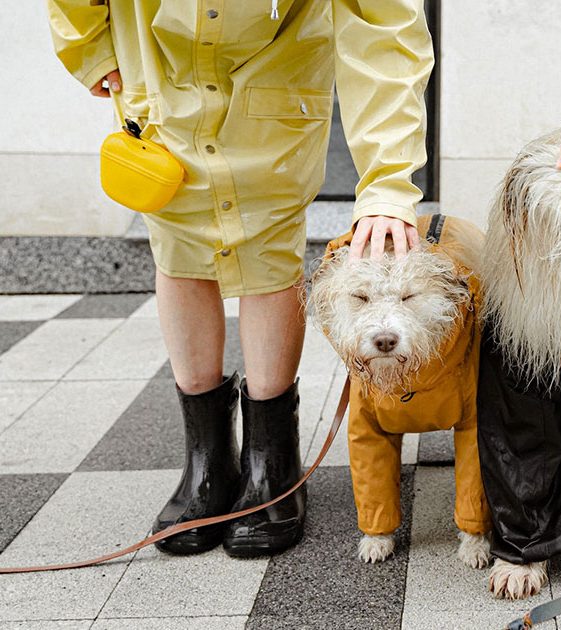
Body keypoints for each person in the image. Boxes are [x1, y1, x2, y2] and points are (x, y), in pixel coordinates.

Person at [48, 0, 432, 557]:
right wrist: (90, 45)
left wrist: (388, 180)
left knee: (269, 247)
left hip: (275, 73)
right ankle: (207, 462)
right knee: (176, 242)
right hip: (157, 68)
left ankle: (271, 460)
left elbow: (383, 22)